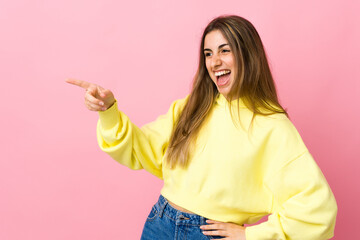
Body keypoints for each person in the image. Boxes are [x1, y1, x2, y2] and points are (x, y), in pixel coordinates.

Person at [66, 15, 337, 240]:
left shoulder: (272, 126)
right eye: (208, 53)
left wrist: (251, 236)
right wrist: (109, 110)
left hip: (211, 235)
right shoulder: (192, 107)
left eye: (224, 50)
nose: (214, 62)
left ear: (248, 55)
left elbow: (318, 210)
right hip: (159, 224)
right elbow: (141, 148)